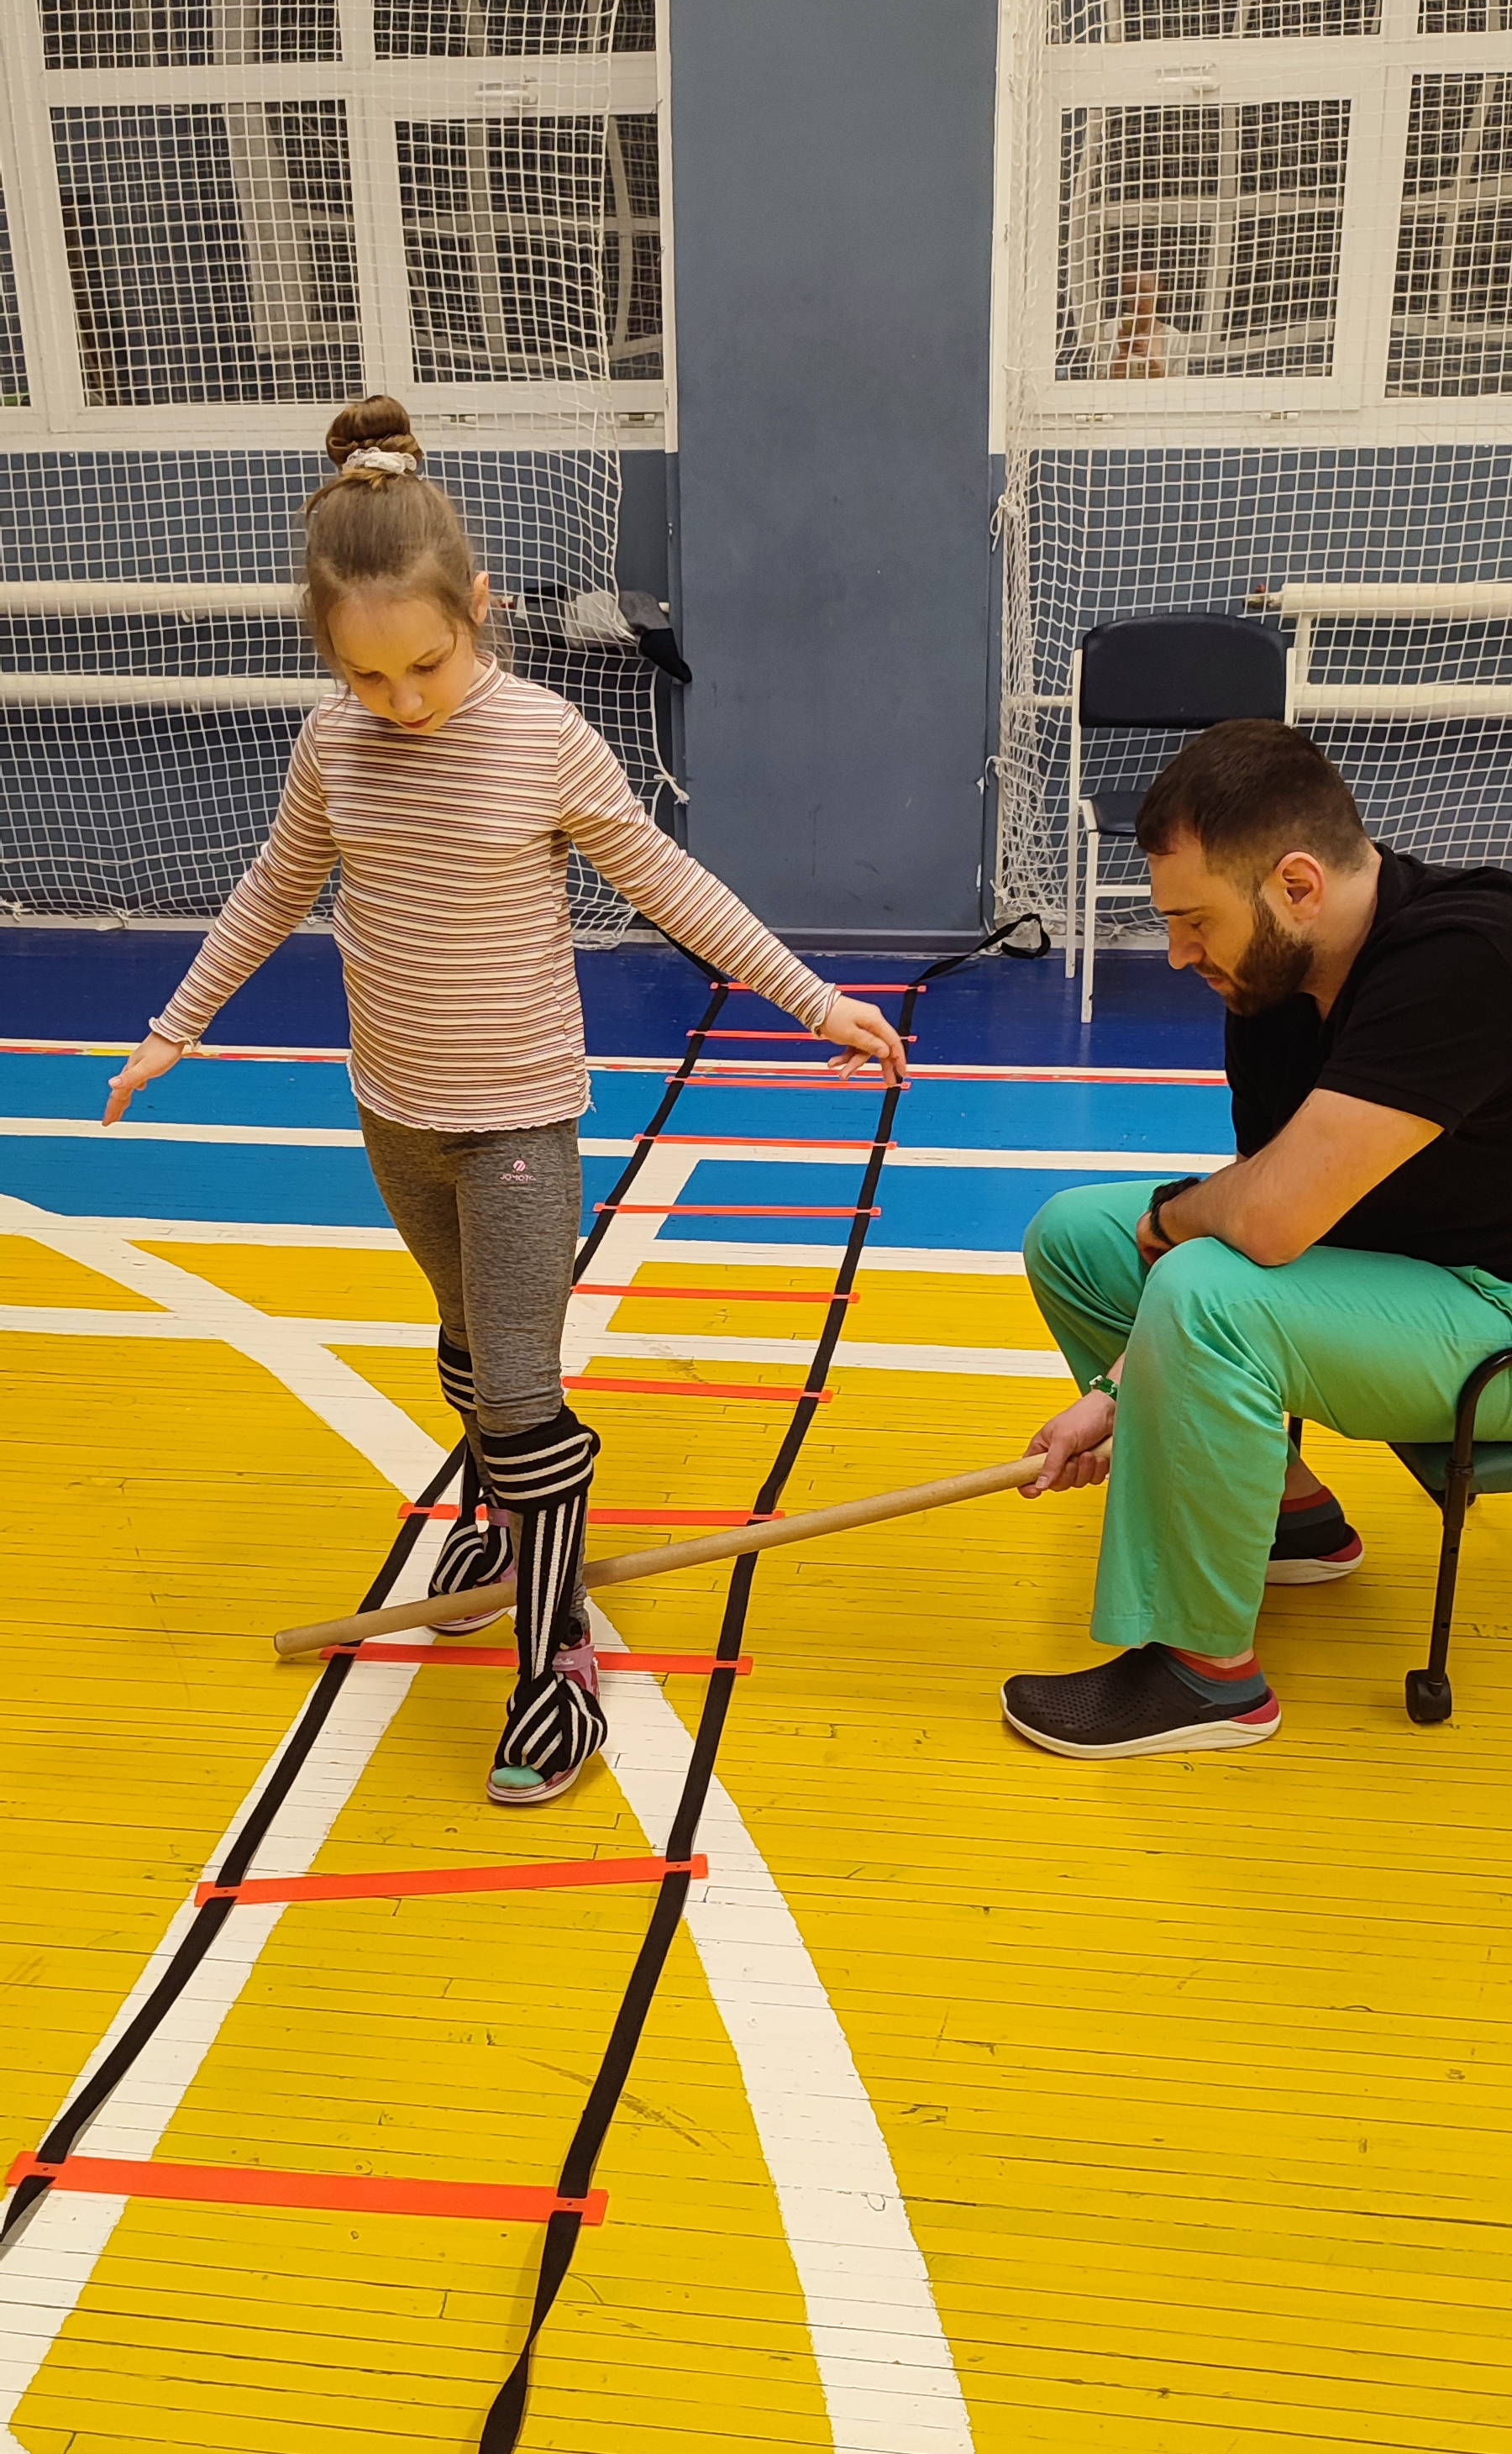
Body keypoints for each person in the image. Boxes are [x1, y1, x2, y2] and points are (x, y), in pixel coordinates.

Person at [105, 395, 904, 1808]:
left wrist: (814, 1001)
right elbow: (275, 890)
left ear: (478, 608)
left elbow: (669, 884)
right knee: (469, 1351)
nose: (405, 703)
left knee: (525, 1402)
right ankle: (496, 1517)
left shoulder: (543, 738)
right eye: (368, 678)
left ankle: (558, 1670)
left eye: (426, 663)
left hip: (519, 1117)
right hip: (396, 1113)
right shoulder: (333, 746)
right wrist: (176, 1027)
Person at [1001, 719, 1512, 1759]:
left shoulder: (1468, 956)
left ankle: (1207, 1675)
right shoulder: (1273, 979)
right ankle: (1291, 1518)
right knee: (1078, 1236)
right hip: (1397, 1277)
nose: (1178, 953)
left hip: (1493, 1310)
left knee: (1198, 1282)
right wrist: (1116, 1392)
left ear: (1297, 884)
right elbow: (1258, 1212)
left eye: (1195, 921)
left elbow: (1265, 1222)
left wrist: (1172, 1219)